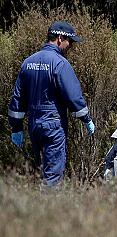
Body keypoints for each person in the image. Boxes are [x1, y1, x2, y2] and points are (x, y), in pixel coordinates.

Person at [8, 21, 95, 187]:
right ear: (60, 39)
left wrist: (16, 128)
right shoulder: (60, 64)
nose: (71, 47)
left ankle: (39, 208)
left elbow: (17, 101)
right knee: (53, 178)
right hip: (54, 126)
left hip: (34, 126)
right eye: (70, 42)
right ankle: (50, 211)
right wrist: (86, 119)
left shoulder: (28, 63)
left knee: (40, 172)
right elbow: (74, 97)